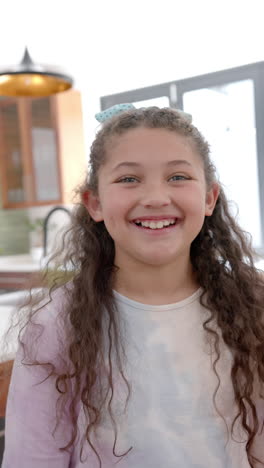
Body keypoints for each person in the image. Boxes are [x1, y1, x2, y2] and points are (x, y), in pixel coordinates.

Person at [2, 104, 264, 468]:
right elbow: (31, 459)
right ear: (94, 202)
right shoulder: (55, 325)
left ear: (209, 198)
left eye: (177, 177)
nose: (156, 197)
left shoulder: (254, 305)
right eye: (128, 179)